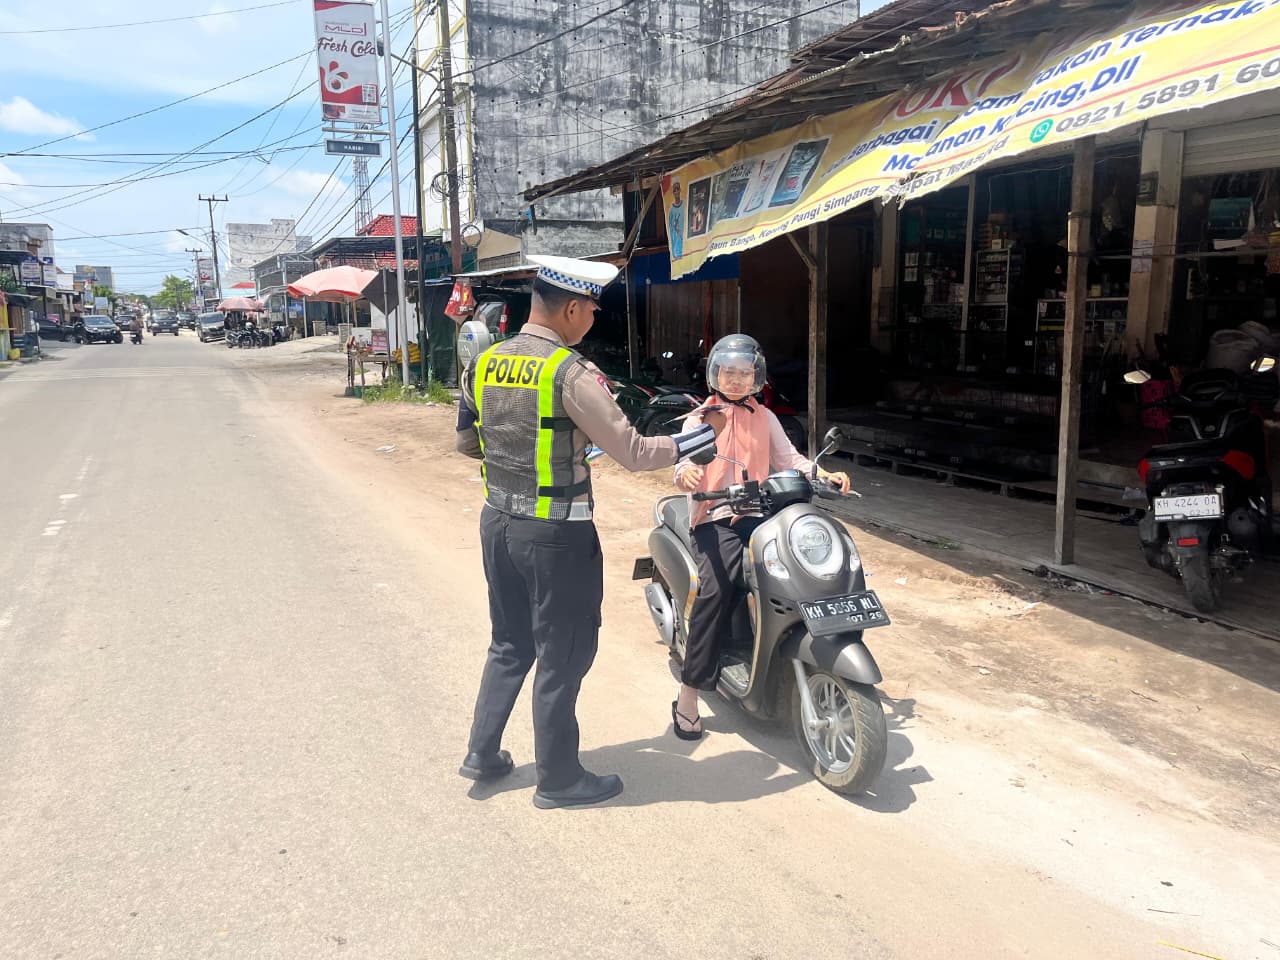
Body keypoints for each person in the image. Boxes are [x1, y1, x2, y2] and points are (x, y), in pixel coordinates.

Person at [455, 254, 716, 809]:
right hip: (556, 537)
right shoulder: (567, 371)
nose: (594, 319)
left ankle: (482, 753)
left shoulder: (482, 361)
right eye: (593, 310)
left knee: (509, 642)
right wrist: (694, 442)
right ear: (572, 309)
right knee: (562, 654)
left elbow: (467, 443)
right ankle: (559, 779)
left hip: (497, 522)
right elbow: (634, 451)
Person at [670, 334, 850, 740]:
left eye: (744, 373)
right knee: (715, 592)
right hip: (715, 517)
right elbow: (681, 463)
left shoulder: (764, 417)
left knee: (802, 570)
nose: (735, 380)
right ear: (716, 374)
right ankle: (688, 695)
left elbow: (791, 461)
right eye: (728, 373)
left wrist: (824, 475)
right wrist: (689, 474)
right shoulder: (700, 417)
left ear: (756, 377)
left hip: (762, 515)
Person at [667, 180, 685, 260]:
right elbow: (671, 228)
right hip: (676, 245)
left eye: (678, 189)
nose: (676, 191)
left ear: (680, 190)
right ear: (673, 192)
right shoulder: (671, 210)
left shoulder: (685, 205)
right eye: (674, 190)